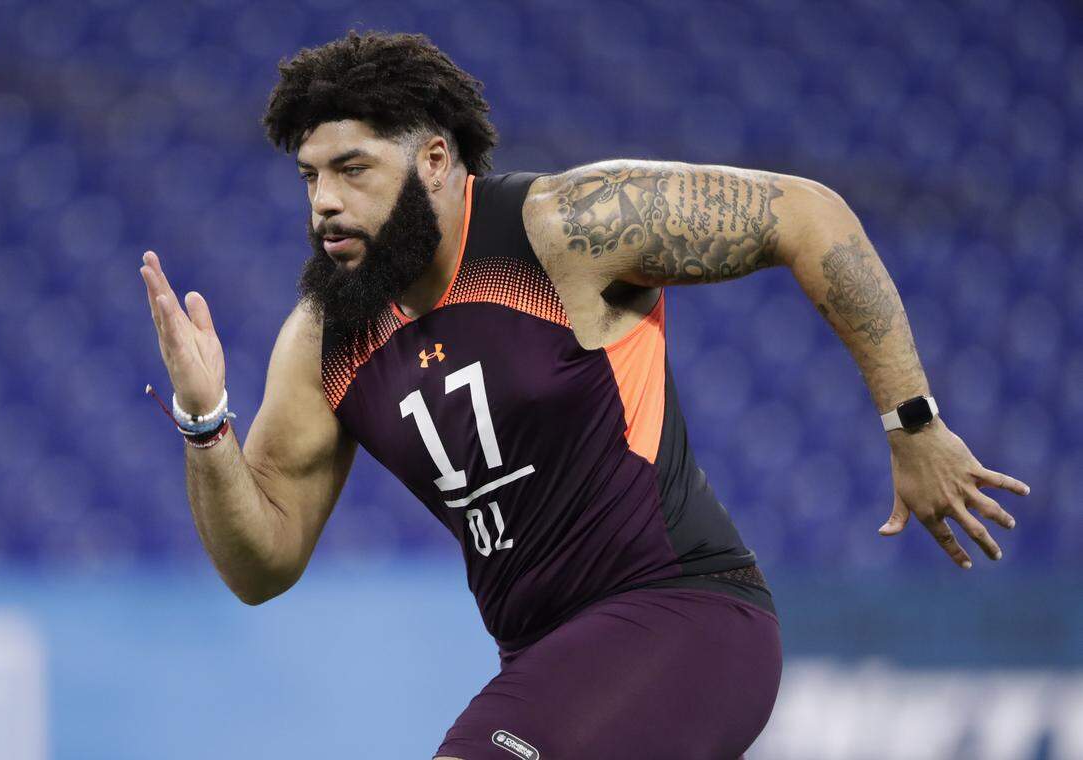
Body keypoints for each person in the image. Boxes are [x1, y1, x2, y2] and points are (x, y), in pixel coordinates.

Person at [139, 30, 1031, 760]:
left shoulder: (561, 230)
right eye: (310, 177)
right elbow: (262, 566)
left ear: (438, 161)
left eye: (354, 169)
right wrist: (205, 422)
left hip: (685, 617)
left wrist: (911, 422)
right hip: (548, 662)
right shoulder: (325, 334)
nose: (325, 202)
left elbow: (808, 215)